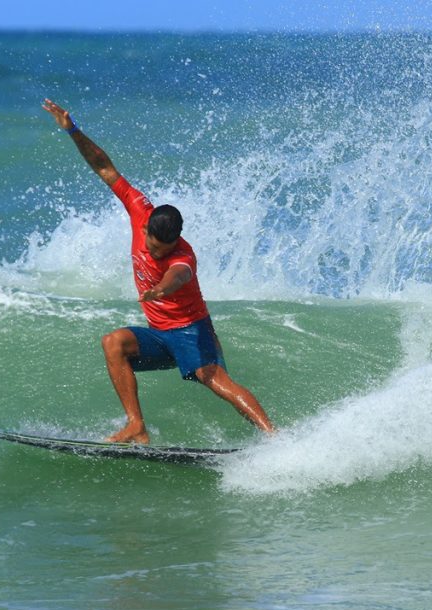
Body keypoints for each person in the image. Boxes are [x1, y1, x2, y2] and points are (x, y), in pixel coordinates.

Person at [42, 99, 274, 443]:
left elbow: (177, 277)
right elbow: (104, 167)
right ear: (147, 226)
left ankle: (274, 437)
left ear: (176, 241)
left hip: (190, 331)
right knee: (113, 342)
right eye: (151, 244)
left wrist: (161, 290)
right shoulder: (139, 210)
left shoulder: (183, 257)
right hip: (159, 334)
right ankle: (136, 426)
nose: (153, 251)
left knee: (215, 380)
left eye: (162, 250)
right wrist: (73, 130)